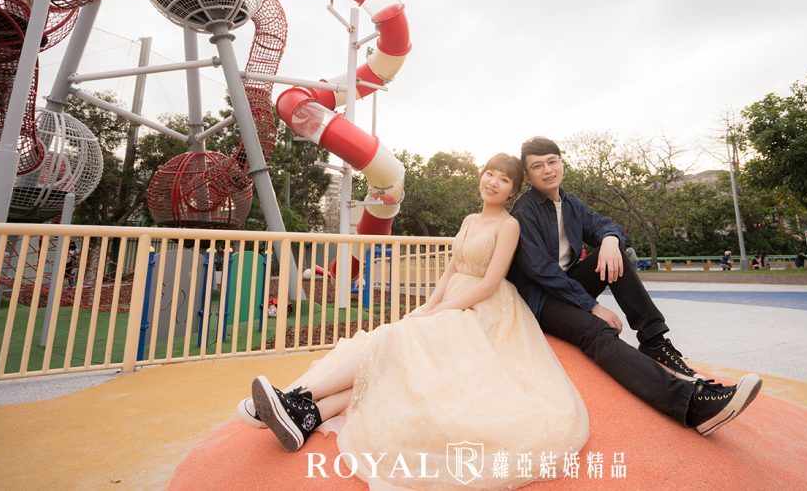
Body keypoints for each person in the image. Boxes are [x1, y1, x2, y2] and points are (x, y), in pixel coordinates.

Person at [242, 154, 588, 487]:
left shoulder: (509, 225)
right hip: (451, 301)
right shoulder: (470, 220)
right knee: (391, 358)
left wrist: (443, 310)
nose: (494, 182)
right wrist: (428, 306)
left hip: (483, 309)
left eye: (504, 179)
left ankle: (297, 396)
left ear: (513, 190)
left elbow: (489, 283)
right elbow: (451, 269)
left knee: (392, 344)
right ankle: (307, 415)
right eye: (490, 173)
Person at [508, 136, 762, 436]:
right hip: (541, 300)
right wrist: (592, 306)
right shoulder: (524, 211)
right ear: (528, 176)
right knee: (596, 331)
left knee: (617, 252)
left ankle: (654, 341)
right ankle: (691, 406)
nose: (548, 170)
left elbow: (605, 225)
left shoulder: (570, 203)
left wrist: (610, 240)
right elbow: (542, 272)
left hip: (568, 285)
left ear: (561, 163)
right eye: (538, 166)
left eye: (552, 162)